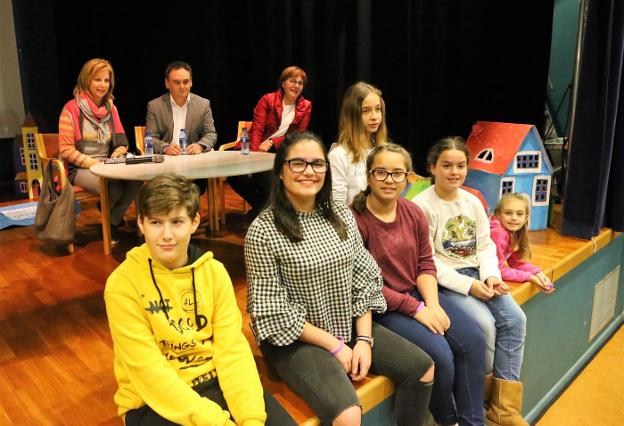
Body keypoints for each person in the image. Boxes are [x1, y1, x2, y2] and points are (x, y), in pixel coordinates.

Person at [245, 132, 435, 426]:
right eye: (298, 163)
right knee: (348, 414)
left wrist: (363, 339)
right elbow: (273, 311)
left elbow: (365, 278)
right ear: (281, 172)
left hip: (344, 321)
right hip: (295, 338)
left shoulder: (340, 215)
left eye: (317, 164)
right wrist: (334, 346)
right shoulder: (264, 230)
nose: (309, 171)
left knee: (423, 368)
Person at [104, 173, 295, 426]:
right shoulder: (122, 285)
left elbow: (232, 350)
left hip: (215, 379)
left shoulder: (214, 272)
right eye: (156, 222)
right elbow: (149, 372)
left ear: (194, 222)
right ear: (140, 223)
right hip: (152, 400)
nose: (167, 234)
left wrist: (251, 418)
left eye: (177, 221)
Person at [351, 143, 486, 426]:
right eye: (382, 172)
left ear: (407, 177)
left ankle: (473, 422)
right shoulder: (356, 219)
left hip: (417, 295)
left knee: (473, 340)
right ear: (369, 175)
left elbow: (425, 264)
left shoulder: (412, 212)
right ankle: (447, 421)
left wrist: (433, 304)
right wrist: (417, 309)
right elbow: (362, 284)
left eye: (398, 173)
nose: (390, 180)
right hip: (381, 307)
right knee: (441, 355)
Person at [413, 137, 529, 426]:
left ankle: (503, 408)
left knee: (516, 320)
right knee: (485, 327)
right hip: (448, 283)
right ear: (432, 168)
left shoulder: (473, 200)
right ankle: (482, 397)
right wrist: (469, 286)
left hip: (479, 273)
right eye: (447, 165)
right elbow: (427, 261)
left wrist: (491, 275)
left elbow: (485, 245)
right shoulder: (421, 206)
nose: (455, 172)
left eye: (461, 166)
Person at [58, 58, 141, 242]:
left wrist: (114, 157)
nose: (102, 84)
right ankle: (110, 225)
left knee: (136, 181)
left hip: (107, 165)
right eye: (97, 79)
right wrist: (95, 164)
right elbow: (66, 150)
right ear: (87, 80)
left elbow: (121, 143)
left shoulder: (112, 109)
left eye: (106, 80)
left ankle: (111, 220)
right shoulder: (70, 109)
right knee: (113, 186)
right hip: (80, 168)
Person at [228, 66, 312, 219]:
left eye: (300, 83)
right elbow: (257, 129)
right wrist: (253, 157)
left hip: (279, 150)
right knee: (234, 176)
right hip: (254, 147)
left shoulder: (306, 105)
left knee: (267, 178)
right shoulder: (268, 99)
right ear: (283, 83)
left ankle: (262, 212)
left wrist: (273, 141)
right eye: (292, 81)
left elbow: (298, 135)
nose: (296, 85)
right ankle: (262, 209)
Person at [146, 61, 218, 193]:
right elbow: (151, 139)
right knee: (165, 190)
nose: (182, 86)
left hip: (193, 162)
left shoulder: (203, 104)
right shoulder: (155, 106)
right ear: (167, 83)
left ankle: (188, 211)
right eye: (177, 82)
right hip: (167, 163)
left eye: (186, 81)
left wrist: (200, 145)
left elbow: (211, 134)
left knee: (195, 188)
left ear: (191, 82)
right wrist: (165, 147)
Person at [329, 82, 389, 205]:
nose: (375, 116)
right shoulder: (339, 155)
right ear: (352, 115)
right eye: (366, 111)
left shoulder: (386, 151)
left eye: (378, 109)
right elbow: (337, 205)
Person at [490, 193, 555, 293]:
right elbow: (496, 270)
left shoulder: (515, 231)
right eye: (508, 213)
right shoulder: (498, 234)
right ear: (498, 214)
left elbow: (515, 261)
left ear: (526, 218)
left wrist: (537, 273)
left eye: (519, 214)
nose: (514, 218)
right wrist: (529, 277)